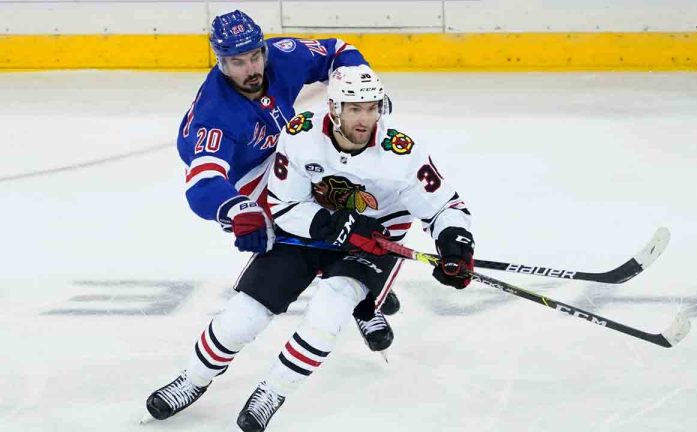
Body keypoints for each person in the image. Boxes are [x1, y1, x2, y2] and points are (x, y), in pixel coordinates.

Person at [149, 65, 474, 431]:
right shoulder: (301, 134)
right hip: (308, 231)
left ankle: (273, 390)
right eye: (354, 109)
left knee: (326, 313)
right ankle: (192, 379)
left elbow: (447, 208)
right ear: (333, 109)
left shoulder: (401, 153)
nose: (365, 118)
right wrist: (333, 225)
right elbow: (284, 207)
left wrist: (456, 246)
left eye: (371, 107)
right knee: (244, 314)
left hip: (372, 244)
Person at [144, 9, 401, 423]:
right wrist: (238, 209)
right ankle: (194, 378)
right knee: (298, 238)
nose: (250, 69)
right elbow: (203, 183)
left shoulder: (281, 56)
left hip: (291, 151)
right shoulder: (215, 115)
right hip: (251, 178)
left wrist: (359, 95)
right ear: (220, 62)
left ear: (263, 49)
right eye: (237, 62)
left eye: (253, 56)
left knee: (358, 185)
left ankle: (361, 295)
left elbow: (341, 51)